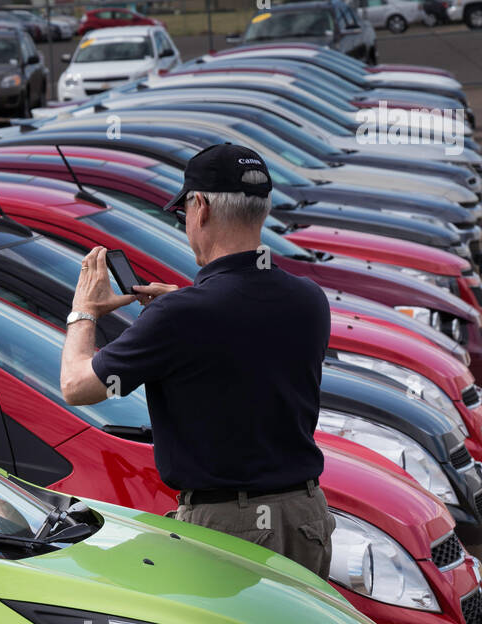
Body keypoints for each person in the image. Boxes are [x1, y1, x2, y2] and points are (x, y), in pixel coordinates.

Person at [59, 142, 335, 578]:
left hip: (231, 527)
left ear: (200, 207)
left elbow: (77, 386)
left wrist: (84, 313)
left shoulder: (184, 316)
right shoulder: (309, 299)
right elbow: (245, 332)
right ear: (261, 210)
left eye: (183, 211)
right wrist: (182, 305)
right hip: (307, 518)